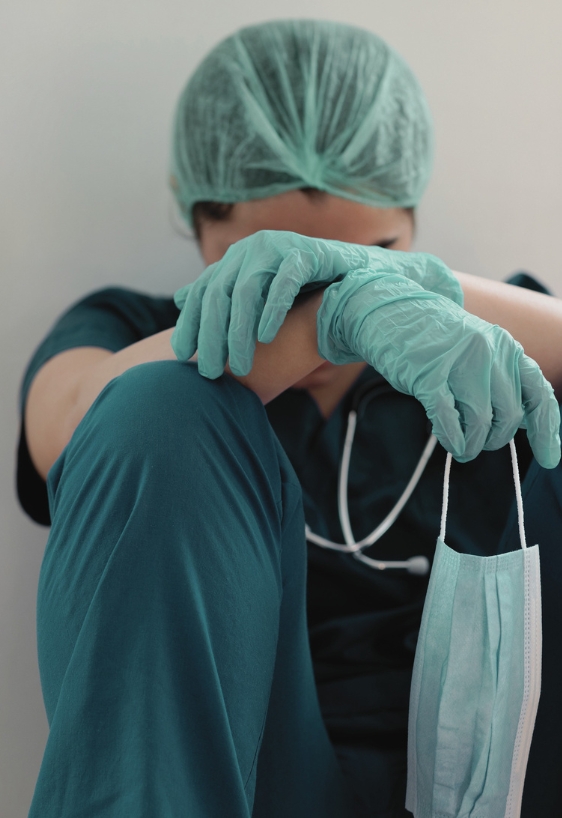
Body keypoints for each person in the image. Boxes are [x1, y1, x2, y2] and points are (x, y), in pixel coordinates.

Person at [17, 19, 562, 818]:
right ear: (201, 227)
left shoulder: (479, 337)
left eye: (373, 249)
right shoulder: (125, 330)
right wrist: (315, 324)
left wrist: (410, 288)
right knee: (154, 407)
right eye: (282, 265)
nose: (331, 281)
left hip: (512, 769)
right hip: (245, 773)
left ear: (410, 225)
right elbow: (68, 427)